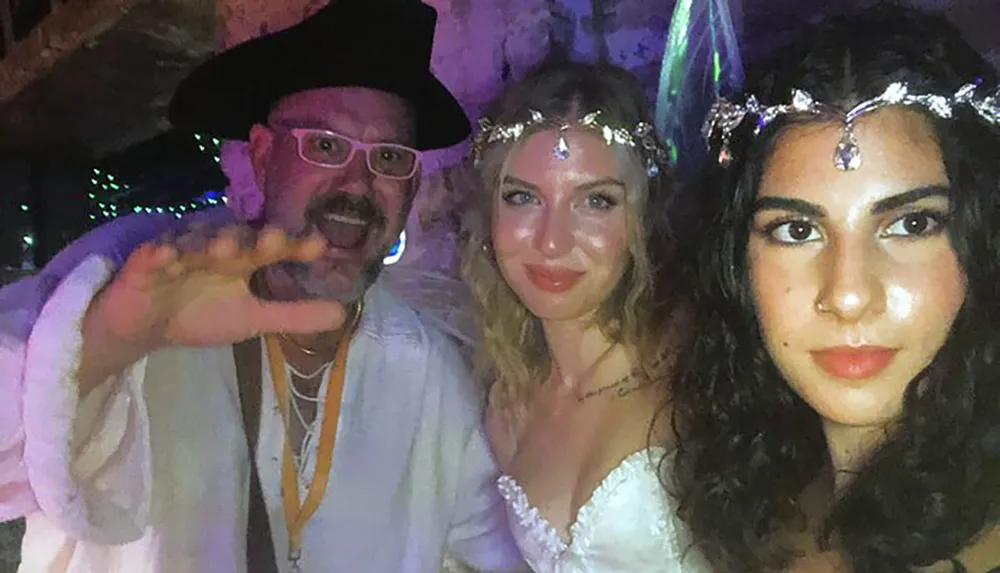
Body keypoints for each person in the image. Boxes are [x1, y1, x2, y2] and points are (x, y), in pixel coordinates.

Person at [0, 0, 526, 571]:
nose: (358, 182)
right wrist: (109, 341)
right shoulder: (147, 268)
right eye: (325, 145)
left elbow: (487, 549)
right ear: (263, 155)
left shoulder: (427, 369)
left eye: (390, 157)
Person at [669, 5, 1000, 571]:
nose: (847, 296)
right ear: (737, 263)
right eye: (797, 231)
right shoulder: (758, 493)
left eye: (912, 224)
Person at [459, 60, 706, 572]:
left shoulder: (699, 376)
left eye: (595, 201)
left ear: (642, 216)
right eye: (523, 198)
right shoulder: (508, 402)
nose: (552, 241)